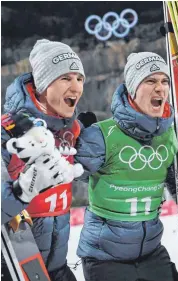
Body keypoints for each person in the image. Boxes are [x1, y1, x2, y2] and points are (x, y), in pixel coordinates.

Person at [73, 52, 178, 281]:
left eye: (165, 81)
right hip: (105, 257)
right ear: (132, 89)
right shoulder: (102, 134)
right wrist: (72, 137)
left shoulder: (170, 134)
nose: (160, 88)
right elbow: (66, 173)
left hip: (151, 251)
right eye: (150, 81)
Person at [1, 39, 86, 281]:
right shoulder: (8, 131)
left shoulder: (73, 130)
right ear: (42, 84)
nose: (76, 86)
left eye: (79, 79)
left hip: (57, 268)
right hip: (14, 269)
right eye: (65, 78)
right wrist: (22, 191)